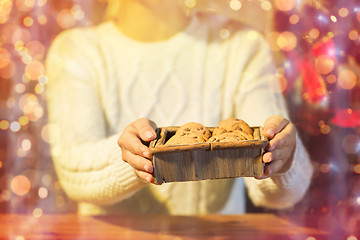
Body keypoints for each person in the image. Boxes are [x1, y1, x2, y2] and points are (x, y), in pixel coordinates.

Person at [45, 0, 313, 215]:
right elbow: (73, 172)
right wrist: (134, 158)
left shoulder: (242, 46)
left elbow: (284, 187)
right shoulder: (76, 50)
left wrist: (282, 160)